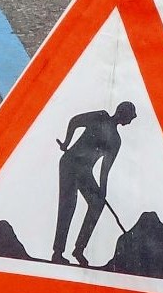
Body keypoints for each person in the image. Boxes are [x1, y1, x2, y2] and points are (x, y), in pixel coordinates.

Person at [51, 100, 136, 265]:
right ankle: (57, 252)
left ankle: (79, 249)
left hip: (84, 171)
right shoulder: (100, 116)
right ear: (123, 113)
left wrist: (102, 194)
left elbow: (105, 171)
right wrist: (67, 143)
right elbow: (75, 121)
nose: (130, 121)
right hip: (70, 162)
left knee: (97, 204)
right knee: (68, 205)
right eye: (130, 117)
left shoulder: (116, 141)